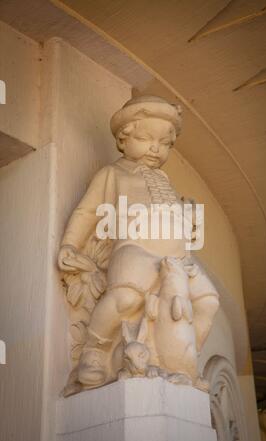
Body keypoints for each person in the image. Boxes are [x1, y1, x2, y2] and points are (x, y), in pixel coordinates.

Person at [58, 95, 219, 388]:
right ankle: (94, 351)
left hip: (178, 259)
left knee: (207, 301)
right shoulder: (113, 174)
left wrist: (187, 215)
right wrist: (70, 243)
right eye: (145, 139)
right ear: (123, 140)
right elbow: (88, 211)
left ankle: (183, 359)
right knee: (127, 297)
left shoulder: (165, 181)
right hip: (136, 249)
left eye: (165, 143)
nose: (156, 149)